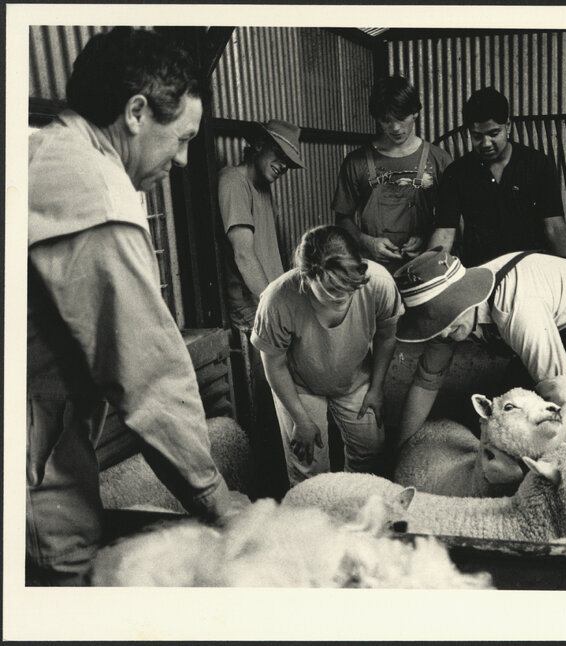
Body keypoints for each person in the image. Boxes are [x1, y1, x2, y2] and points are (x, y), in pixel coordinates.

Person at [27, 27, 240, 585]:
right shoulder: (95, 195)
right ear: (137, 112)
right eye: (182, 138)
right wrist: (217, 501)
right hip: (31, 461)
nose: (187, 159)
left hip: (46, 432)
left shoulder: (36, 148)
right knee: (62, 587)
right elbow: (147, 371)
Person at [391, 247, 566, 452]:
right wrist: (401, 452)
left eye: (445, 317)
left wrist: (531, 463)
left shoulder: (517, 311)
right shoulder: (447, 323)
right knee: (502, 422)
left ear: (464, 298)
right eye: (433, 323)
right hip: (541, 326)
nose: (442, 333)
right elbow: (425, 384)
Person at [251, 225, 402, 484]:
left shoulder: (379, 283)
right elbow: (273, 363)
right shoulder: (278, 299)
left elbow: (387, 336)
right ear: (306, 277)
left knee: (370, 456)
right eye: (330, 293)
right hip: (299, 385)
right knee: (307, 465)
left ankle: (355, 516)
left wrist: (377, 388)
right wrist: (300, 418)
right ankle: (315, 520)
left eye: (348, 288)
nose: (341, 298)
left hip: (356, 378)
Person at [217, 118, 304, 497]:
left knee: (284, 406)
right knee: (269, 414)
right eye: (279, 154)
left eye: (289, 160)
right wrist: (274, 309)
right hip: (255, 316)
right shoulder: (234, 181)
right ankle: (272, 496)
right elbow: (243, 254)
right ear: (256, 145)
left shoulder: (262, 186)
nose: (284, 164)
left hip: (271, 310)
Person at [427, 87, 566, 266]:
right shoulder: (457, 173)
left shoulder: (537, 164)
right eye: (477, 136)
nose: (486, 143)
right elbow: (444, 232)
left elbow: (554, 227)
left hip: (532, 267)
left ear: (508, 126)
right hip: (481, 271)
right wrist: (429, 273)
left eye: (493, 133)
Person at [333, 75, 452, 273]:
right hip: (373, 273)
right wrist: (366, 242)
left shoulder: (439, 160)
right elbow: (342, 219)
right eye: (386, 120)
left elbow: (450, 222)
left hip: (423, 272)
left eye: (401, 118)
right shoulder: (356, 162)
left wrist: (427, 240)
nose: (395, 128)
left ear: (415, 112)